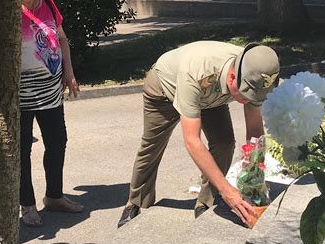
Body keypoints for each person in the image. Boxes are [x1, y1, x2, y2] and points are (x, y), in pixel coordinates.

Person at [117, 40, 280, 229]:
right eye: (244, 94)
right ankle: (135, 202)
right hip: (165, 89)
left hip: (210, 96)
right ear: (232, 77)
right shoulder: (197, 71)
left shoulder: (253, 72)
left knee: (225, 142)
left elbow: (254, 134)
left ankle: (206, 202)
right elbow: (192, 141)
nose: (247, 100)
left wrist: (255, 181)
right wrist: (228, 190)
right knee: (152, 146)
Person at [20, 0, 84, 226]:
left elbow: (61, 38)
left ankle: (54, 196)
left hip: (50, 90)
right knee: (22, 151)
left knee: (57, 142)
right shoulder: (9, 8)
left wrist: (69, 73)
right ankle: (27, 205)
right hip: (20, 94)